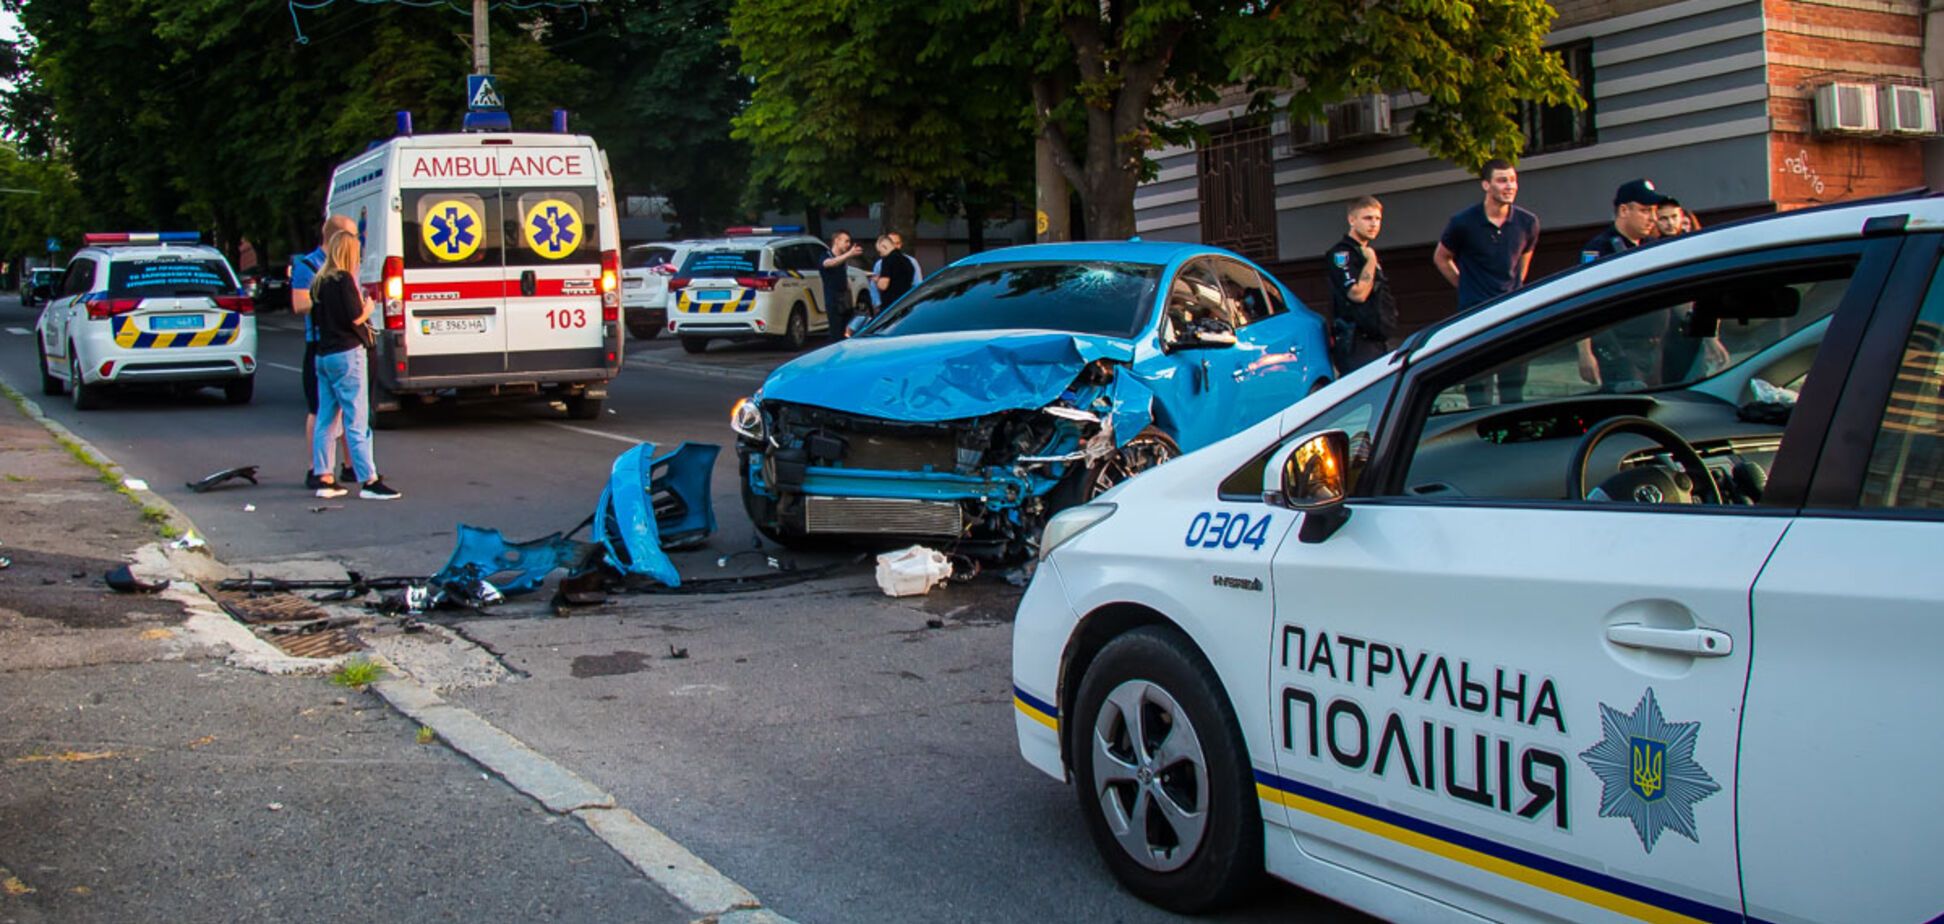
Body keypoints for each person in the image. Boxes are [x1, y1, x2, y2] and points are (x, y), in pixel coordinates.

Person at [1434, 159, 1539, 406]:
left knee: (1513, 389)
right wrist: (1464, 285)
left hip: (1512, 314)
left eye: (1512, 180)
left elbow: (1523, 260)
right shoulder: (1463, 223)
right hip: (1475, 314)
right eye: (1502, 180)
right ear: (1486, 185)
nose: (1509, 186)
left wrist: (1514, 288)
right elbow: (1441, 257)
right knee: (1478, 388)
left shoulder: (1527, 222)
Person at [308, 230, 399, 500]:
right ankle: (369, 480)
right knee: (356, 418)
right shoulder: (344, 280)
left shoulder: (319, 281)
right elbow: (354, 317)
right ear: (349, 253)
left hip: (323, 354)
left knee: (326, 418)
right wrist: (369, 307)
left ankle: (324, 477)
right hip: (347, 353)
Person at [1577, 179, 1672, 389]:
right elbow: (1584, 300)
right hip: (1620, 350)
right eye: (1645, 211)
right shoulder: (1599, 249)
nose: (1652, 218)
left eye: (1654, 211)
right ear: (1623, 210)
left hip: (1655, 348)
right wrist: (1585, 352)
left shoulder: (1652, 246)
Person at [293, 215, 357, 490]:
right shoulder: (308, 265)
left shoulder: (347, 264)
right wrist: (330, 299)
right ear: (336, 237)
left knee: (350, 409)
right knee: (319, 409)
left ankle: (351, 466)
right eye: (352, 236)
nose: (356, 241)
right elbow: (299, 304)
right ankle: (316, 469)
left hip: (347, 342)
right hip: (319, 342)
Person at [1324, 195, 1397, 372]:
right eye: (1367, 218)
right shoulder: (1342, 254)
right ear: (1352, 220)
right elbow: (1356, 294)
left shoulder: (1363, 252)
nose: (1374, 224)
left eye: (1378, 219)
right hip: (1355, 340)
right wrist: (1371, 261)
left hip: (1376, 338)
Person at [821, 231, 864, 338]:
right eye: (846, 241)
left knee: (848, 333)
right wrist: (849, 254)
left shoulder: (843, 260)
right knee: (836, 334)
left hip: (845, 302)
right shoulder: (826, 255)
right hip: (834, 302)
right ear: (837, 241)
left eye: (849, 242)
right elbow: (829, 263)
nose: (848, 245)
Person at [874, 234, 916, 307]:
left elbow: (883, 285)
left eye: (880, 251)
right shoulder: (908, 260)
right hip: (906, 301)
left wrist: (877, 280)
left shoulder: (887, 260)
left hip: (891, 304)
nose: (880, 255)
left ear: (884, 247)